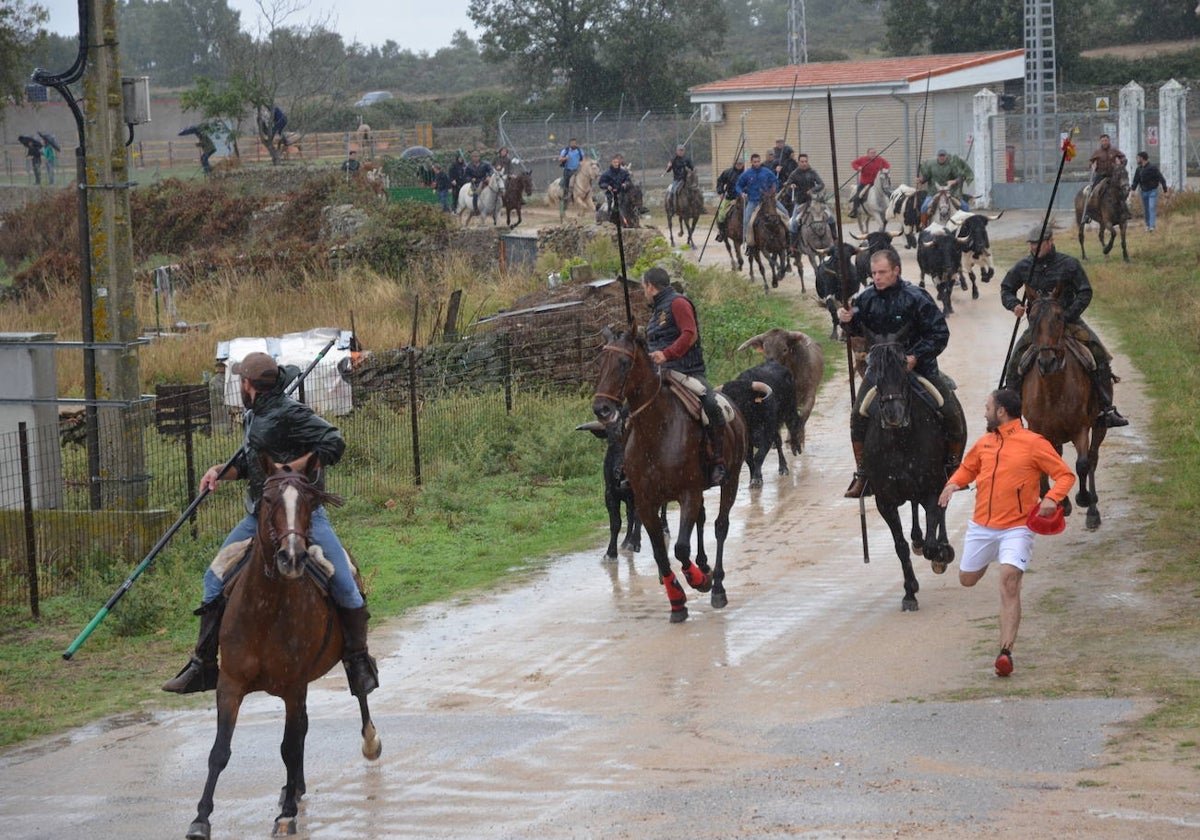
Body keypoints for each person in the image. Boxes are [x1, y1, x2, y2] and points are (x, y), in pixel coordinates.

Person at [162, 352, 378, 698]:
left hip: (305, 516)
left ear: (248, 385)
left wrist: (292, 470)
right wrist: (220, 471)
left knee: (346, 586)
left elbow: (334, 442)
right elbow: (250, 466)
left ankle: (358, 660)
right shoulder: (254, 415)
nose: (239, 386)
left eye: (240, 381)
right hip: (258, 517)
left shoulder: (293, 413)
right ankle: (203, 664)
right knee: (213, 579)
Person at [939, 388, 1075, 677]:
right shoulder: (984, 443)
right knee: (966, 579)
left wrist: (1052, 498)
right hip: (982, 527)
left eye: (987, 407)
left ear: (1001, 412)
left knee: (1009, 583)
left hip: (1018, 527)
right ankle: (991, 554)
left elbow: (1065, 474)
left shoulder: (1034, 443)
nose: (984, 412)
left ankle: (1005, 653)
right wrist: (953, 484)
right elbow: (967, 468)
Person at [837, 249, 967, 498]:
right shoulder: (865, 299)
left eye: (882, 272)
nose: (877, 277)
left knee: (950, 410)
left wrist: (915, 356)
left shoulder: (917, 297)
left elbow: (940, 334)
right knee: (857, 416)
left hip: (919, 368)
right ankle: (863, 473)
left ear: (896, 270)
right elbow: (855, 328)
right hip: (880, 373)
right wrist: (845, 320)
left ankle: (952, 466)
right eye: (873, 273)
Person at [1000, 226, 1129, 427]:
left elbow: (1085, 291)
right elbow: (1006, 288)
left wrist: (1067, 315)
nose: (1034, 248)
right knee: (1015, 359)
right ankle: (1013, 412)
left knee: (1098, 352)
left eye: (1038, 244)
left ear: (1050, 242)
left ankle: (1105, 409)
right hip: (1039, 328)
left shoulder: (1069, 264)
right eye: (1032, 244)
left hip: (1069, 321)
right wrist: (1014, 304)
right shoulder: (1024, 266)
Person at [641, 268, 727, 487]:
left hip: (685, 370)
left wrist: (666, 354)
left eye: (643, 288)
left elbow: (690, 333)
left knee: (709, 402)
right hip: (659, 374)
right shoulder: (655, 312)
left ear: (650, 286)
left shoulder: (678, 303)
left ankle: (719, 459)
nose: (644, 292)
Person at [735, 153, 780, 248]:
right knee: (746, 219)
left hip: (768, 200)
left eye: (758, 161)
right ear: (751, 162)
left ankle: (787, 241)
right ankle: (748, 241)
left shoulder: (767, 172)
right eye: (755, 162)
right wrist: (741, 193)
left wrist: (774, 191)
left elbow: (775, 181)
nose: (757, 163)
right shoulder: (747, 174)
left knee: (785, 213)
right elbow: (738, 185)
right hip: (753, 201)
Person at [918, 149, 973, 213]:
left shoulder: (952, 165)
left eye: (943, 156)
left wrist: (954, 181)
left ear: (946, 156)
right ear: (937, 156)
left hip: (950, 193)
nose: (942, 157)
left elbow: (960, 177)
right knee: (924, 208)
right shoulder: (931, 165)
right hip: (934, 192)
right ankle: (924, 223)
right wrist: (920, 180)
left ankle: (966, 222)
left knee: (965, 207)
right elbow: (926, 177)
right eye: (940, 156)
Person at [1131, 150, 1169, 232]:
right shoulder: (1139, 169)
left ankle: (1152, 226)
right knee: (1146, 209)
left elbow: (1161, 179)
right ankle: (1147, 225)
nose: (1137, 160)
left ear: (1142, 158)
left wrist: (1165, 190)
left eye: (1138, 158)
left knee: (1151, 207)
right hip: (1143, 192)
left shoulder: (1153, 168)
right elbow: (1135, 180)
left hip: (1153, 191)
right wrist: (1133, 190)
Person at [849, 147, 890, 219]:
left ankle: (891, 209)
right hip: (865, 183)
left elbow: (887, 165)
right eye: (871, 153)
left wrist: (885, 170)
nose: (873, 154)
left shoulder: (880, 160)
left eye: (874, 153)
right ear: (867, 154)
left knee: (888, 193)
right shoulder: (862, 159)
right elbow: (853, 163)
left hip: (876, 183)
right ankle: (854, 211)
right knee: (857, 196)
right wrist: (858, 167)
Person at [713, 157, 745, 243]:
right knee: (721, 215)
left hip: (743, 199)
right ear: (734, 163)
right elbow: (720, 181)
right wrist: (721, 191)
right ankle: (722, 232)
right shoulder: (728, 173)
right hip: (730, 198)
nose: (739, 165)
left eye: (741, 164)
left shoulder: (746, 174)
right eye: (738, 164)